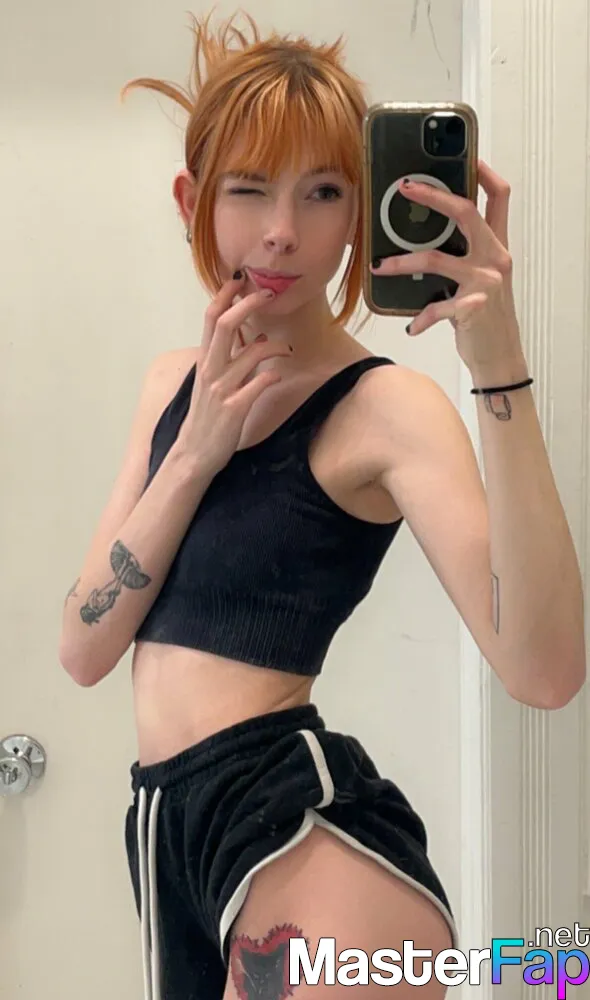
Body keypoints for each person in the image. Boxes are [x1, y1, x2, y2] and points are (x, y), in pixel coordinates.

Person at [61, 9, 468, 998]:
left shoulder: (384, 406)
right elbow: (83, 647)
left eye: (322, 192)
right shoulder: (172, 387)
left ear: (358, 211)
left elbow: (544, 667)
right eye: (248, 189)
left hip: (288, 814)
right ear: (193, 199)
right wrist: (195, 453)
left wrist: (497, 366)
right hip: (166, 824)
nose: (282, 229)